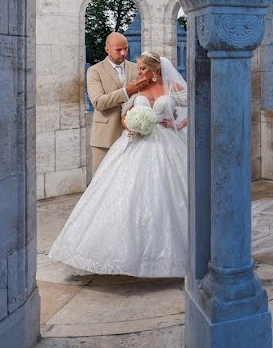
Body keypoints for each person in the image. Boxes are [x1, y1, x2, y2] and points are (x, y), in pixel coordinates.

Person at [49, 51, 190, 278]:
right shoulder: (137, 87)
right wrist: (129, 125)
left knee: (167, 195)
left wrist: (179, 124)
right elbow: (125, 113)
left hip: (166, 142)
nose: (139, 71)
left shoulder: (171, 86)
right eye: (140, 67)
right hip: (135, 142)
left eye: (143, 68)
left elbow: (195, 103)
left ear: (155, 71)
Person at [85, 32, 148, 174]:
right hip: (104, 138)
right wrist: (127, 91)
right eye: (118, 50)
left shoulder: (136, 68)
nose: (123, 53)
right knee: (101, 183)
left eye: (126, 49)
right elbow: (98, 102)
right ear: (107, 49)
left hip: (133, 136)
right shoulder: (94, 71)